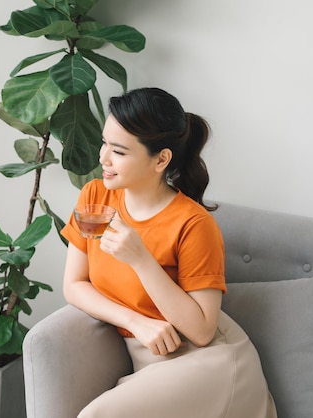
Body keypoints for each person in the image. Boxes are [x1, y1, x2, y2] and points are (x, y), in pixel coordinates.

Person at [61, 87, 277, 418]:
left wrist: (141, 259)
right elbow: (74, 285)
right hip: (150, 352)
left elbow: (203, 331)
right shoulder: (95, 197)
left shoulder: (194, 223)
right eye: (104, 143)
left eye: (118, 151)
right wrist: (137, 322)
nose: (102, 157)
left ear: (161, 159)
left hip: (205, 359)